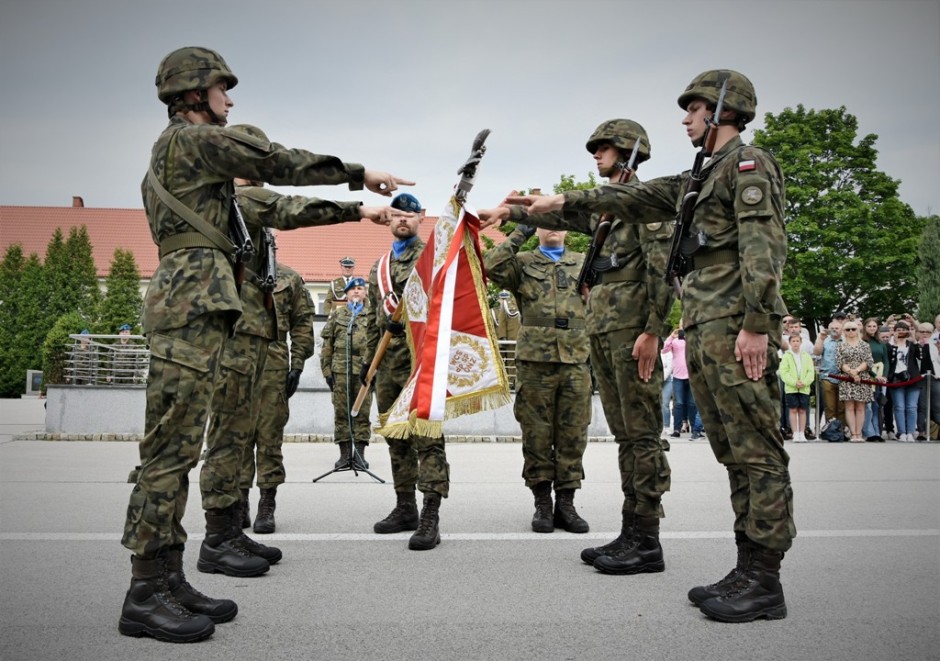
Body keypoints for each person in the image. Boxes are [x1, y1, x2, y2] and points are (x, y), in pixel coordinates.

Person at [119, 46, 414, 643]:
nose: (230, 100)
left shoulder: (193, 160)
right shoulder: (185, 141)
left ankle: (168, 577)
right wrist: (358, 175)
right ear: (194, 93)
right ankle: (145, 591)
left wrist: (355, 204)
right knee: (169, 454)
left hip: (200, 309)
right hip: (188, 308)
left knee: (179, 450)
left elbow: (275, 201)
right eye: (222, 89)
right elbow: (274, 163)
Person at [484, 70, 794, 621]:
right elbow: (629, 199)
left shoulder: (748, 165)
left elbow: (763, 246)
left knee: (756, 452)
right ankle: (747, 566)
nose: (685, 118)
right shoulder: (699, 178)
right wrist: (528, 208)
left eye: (693, 108)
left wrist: (757, 323)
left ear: (722, 109)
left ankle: (764, 578)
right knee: (731, 451)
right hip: (705, 324)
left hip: (731, 326)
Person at [479, 118, 675, 574]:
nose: (595, 154)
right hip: (605, 338)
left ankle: (647, 538)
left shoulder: (645, 206)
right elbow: (565, 214)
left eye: (604, 147)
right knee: (628, 437)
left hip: (632, 338)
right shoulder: (610, 211)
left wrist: (652, 332)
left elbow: (662, 274)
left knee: (642, 437)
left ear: (627, 151)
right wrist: (513, 213)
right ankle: (632, 533)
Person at [485, 223, 592, 534]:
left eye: (561, 222)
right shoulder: (523, 262)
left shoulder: (585, 261)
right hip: (535, 361)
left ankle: (567, 504)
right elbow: (492, 266)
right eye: (547, 223)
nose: (554, 228)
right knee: (537, 434)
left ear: (569, 229)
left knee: (574, 433)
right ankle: (543, 503)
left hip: (576, 359)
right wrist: (522, 229)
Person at [365, 193, 449, 551]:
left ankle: (431, 513)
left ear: (421, 218)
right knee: (395, 438)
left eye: (410, 215)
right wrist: (368, 368)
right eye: (397, 214)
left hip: (423, 363)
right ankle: (405, 506)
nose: (403, 220)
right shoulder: (378, 268)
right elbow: (372, 320)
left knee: (427, 438)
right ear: (389, 220)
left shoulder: (432, 260)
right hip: (389, 367)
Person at [239, 262, 316, 535]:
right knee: (236, 437)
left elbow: (302, 322)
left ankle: (266, 504)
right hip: (235, 361)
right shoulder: (227, 268)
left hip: (274, 359)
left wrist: (297, 364)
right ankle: (239, 503)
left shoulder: (289, 277)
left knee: (269, 436)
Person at [320, 277, 373, 469]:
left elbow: (378, 345)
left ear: (365, 293)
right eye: (352, 289)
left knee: (362, 412)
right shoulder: (338, 315)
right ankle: (344, 457)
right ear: (347, 294)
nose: (356, 292)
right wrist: (326, 371)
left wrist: (375, 371)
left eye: (360, 289)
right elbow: (327, 345)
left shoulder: (371, 316)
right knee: (341, 413)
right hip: (340, 370)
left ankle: (359, 456)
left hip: (364, 372)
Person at [662, 328, 704, 440]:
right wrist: (671, 336)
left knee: (692, 403)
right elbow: (664, 349)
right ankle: (676, 429)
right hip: (677, 376)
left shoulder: (691, 338)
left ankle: (696, 430)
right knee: (679, 403)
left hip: (691, 375)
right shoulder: (674, 341)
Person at [835, 321, 874, 442]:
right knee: (850, 406)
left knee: (861, 406)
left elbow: (868, 361)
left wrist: (856, 371)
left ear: (858, 330)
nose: (851, 332)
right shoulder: (841, 345)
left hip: (862, 377)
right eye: (848, 329)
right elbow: (839, 362)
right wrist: (851, 372)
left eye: (853, 329)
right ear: (844, 332)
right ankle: (853, 433)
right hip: (846, 378)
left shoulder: (865, 345)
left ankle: (859, 433)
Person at [887, 320, 924, 442]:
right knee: (899, 406)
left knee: (912, 407)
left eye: (904, 330)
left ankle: (910, 432)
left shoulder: (912, 344)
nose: (901, 332)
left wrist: (915, 340)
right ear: (894, 332)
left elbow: (921, 356)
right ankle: (902, 432)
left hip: (913, 378)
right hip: (896, 379)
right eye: (899, 330)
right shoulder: (890, 344)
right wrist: (894, 343)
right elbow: (889, 359)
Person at [778, 335, 814, 442]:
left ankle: (802, 432)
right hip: (791, 388)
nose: (795, 343)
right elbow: (784, 372)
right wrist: (794, 382)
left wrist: (805, 382)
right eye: (793, 341)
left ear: (801, 342)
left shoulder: (806, 356)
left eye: (797, 341)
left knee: (802, 410)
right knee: (793, 409)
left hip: (804, 388)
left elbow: (810, 372)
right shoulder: (786, 356)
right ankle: (795, 433)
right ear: (789, 343)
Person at [813, 316, 845, 432]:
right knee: (830, 406)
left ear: (841, 329)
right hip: (827, 376)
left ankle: (842, 429)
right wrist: (820, 338)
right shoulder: (825, 340)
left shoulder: (846, 341)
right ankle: (830, 429)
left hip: (844, 377)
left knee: (842, 406)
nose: (835, 330)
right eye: (833, 328)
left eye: (837, 328)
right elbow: (816, 352)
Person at [861, 318, 889, 442]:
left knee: (877, 406)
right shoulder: (862, 342)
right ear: (865, 327)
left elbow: (886, 361)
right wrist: (874, 374)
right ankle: (869, 432)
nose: (872, 328)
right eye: (869, 326)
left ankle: (877, 431)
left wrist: (884, 375)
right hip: (867, 376)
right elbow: (864, 362)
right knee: (868, 407)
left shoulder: (881, 343)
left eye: (874, 326)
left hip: (879, 378)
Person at [915, 322, 938, 440]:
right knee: (921, 406)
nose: (924, 334)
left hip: (935, 377)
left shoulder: (936, 345)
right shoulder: (913, 345)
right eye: (922, 331)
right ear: (917, 333)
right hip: (920, 378)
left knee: (937, 405)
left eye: (928, 332)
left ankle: (937, 431)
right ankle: (921, 431)